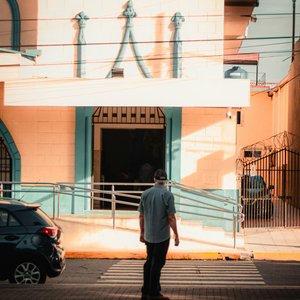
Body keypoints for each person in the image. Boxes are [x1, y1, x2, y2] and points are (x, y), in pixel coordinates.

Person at [138, 169, 179, 300]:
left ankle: (146, 288)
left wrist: (142, 232)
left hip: (149, 235)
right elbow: (171, 217)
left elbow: (141, 215)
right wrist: (176, 235)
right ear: (165, 180)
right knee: (158, 263)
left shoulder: (145, 194)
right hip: (162, 236)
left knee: (150, 261)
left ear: (154, 179)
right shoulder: (168, 195)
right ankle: (153, 290)